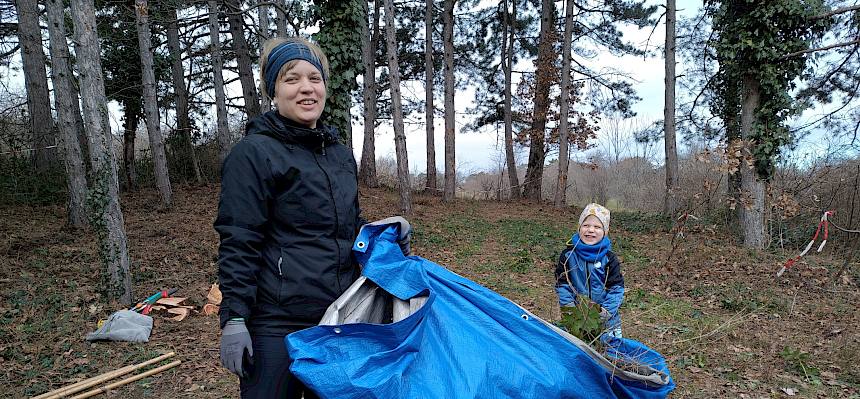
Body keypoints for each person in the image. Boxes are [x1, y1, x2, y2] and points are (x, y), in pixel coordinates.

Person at [214, 37, 410, 399]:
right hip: (276, 325)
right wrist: (235, 317)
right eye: (292, 79)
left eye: (314, 78)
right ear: (274, 90)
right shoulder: (253, 154)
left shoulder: (338, 155)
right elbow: (239, 239)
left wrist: (385, 236)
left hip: (338, 319)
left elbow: (349, 229)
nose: (306, 88)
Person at [554, 203, 625, 340]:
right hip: (575, 316)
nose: (591, 230)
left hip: (605, 319)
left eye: (597, 227)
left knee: (609, 350)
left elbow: (616, 288)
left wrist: (605, 313)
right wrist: (570, 310)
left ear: (605, 231)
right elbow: (562, 284)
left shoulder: (609, 259)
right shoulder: (568, 255)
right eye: (586, 225)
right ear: (579, 228)